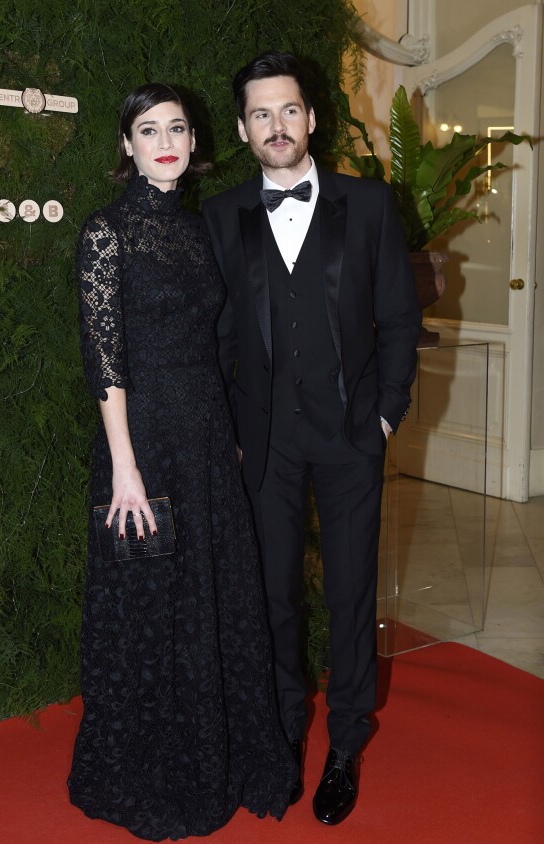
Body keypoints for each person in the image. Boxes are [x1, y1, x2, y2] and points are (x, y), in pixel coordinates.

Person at [68, 82, 297, 842]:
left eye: (176, 128)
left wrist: (228, 435)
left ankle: (221, 756)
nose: (164, 140)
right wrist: (124, 467)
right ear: (125, 146)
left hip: (205, 440)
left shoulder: (200, 234)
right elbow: (105, 363)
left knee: (215, 598)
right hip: (144, 445)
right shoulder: (107, 235)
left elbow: (220, 347)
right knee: (153, 604)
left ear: (195, 143)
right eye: (147, 129)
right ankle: (151, 770)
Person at [202, 52, 421, 826]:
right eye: (260, 114)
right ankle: (284, 733)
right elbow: (215, 335)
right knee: (273, 599)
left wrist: (386, 415)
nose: (276, 126)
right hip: (264, 447)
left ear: (312, 118)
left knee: (353, 594)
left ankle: (347, 742)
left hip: (351, 437)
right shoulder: (222, 216)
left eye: (288, 110)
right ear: (241, 129)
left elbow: (398, 317)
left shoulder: (368, 205)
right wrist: (225, 433)